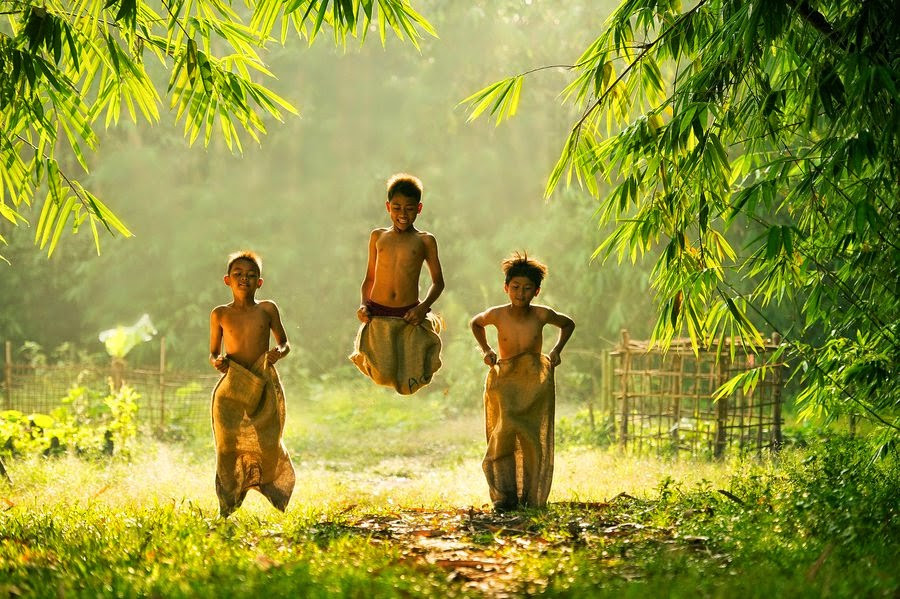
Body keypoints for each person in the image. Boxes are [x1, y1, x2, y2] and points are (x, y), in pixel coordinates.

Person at [469, 252, 575, 512]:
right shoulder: (497, 314)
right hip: (505, 382)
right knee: (503, 434)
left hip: (533, 383)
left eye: (527, 289)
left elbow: (568, 324)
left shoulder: (540, 315)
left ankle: (531, 496)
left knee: (531, 440)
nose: (520, 293)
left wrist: (556, 350)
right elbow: (476, 323)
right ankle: (504, 497)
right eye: (515, 287)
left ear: (536, 291)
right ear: (506, 288)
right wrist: (486, 350)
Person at [208, 250, 295, 517]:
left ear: (259, 282)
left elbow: (284, 343)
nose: (244, 279)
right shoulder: (220, 314)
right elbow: (213, 352)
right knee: (227, 446)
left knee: (268, 441)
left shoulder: (267, 309)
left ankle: (273, 489)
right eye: (238, 275)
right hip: (233, 384)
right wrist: (217, 361)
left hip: (263, 380)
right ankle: (228, 503)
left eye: (250, 275)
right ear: (227, 280)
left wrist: (278, 353)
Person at [350, 173, 445, 394]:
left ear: (419, 209)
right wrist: (364, 305)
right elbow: (369, 278)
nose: (403, 214)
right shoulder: (378, 237)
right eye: (397, 207)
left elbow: (438, 282)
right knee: (383, 373)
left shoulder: (425, 240)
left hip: (408, 314)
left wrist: (422, 308)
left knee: (411, 374)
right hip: (378, 313)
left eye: (409, 208)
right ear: (388, 207)